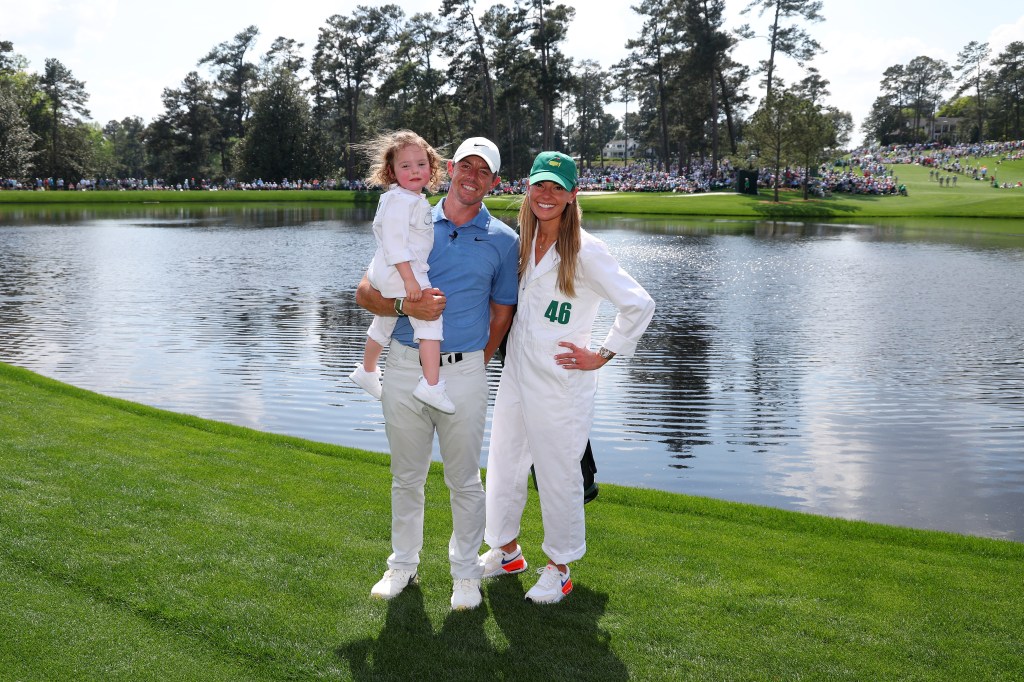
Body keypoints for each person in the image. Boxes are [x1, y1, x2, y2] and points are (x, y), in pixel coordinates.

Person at [480, 151, 655, 604]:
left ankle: (559, 567)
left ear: (573, 194)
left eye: (558, 187)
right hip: (516, 373)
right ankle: (506, 549)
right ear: (527, 189)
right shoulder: (520, 242)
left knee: (558, 475)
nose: (547, 194)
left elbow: (639, 304)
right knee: (503, 464)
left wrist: (602, 354)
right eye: (540, 184)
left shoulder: (588, 250)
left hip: (561, 383)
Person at [355, 137, 519, 611]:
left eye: (482, 170)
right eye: (465, 165)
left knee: (465, 480)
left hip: (466, 372)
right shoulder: (413, 214)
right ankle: (403, 564)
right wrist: (407, 303)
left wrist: (476, 361)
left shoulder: (504, 241)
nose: (472, 175)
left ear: (493, 181)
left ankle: (466, 573)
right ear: (449, 168)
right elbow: (365, 293)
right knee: (407, 478)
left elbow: (502, 313)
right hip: (406, 365)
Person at [349, 131, 455, 413]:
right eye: (405, 166)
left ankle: (367, 371)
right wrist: (410, 281)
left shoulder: (409, 198)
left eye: (421, 164)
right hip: (401, 270)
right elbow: (396, 244)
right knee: (430, 319)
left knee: (385, 318)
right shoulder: (400, 200)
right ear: (391, 171)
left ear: (431, 167)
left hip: (388, 269)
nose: (414, 171)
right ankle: (431, 386)